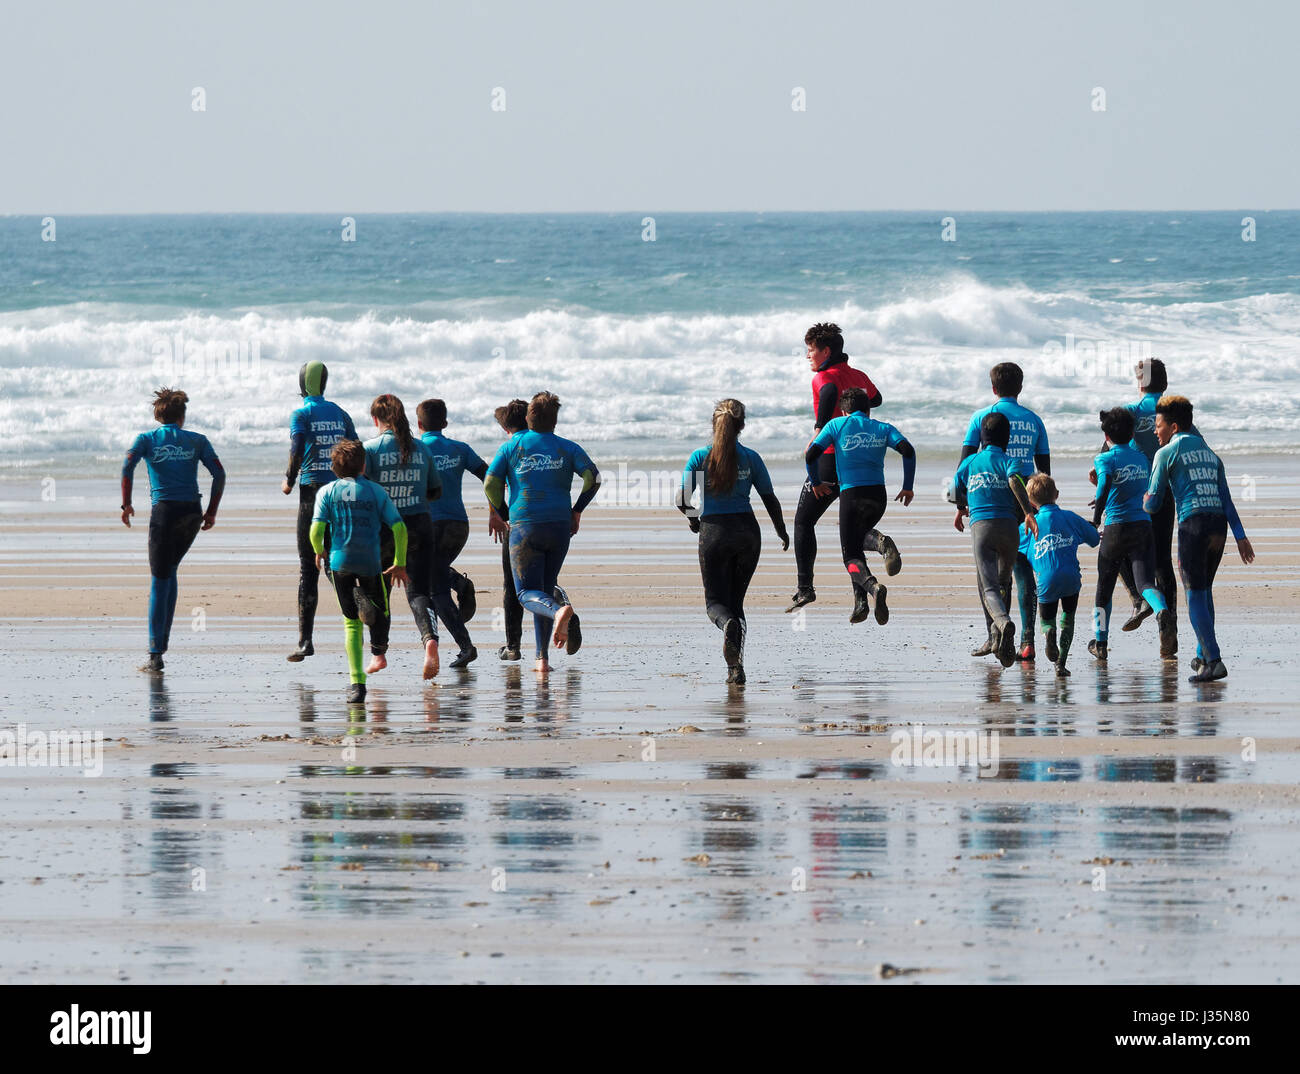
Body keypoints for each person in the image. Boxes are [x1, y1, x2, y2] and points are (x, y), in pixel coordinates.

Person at [485, 392, 600, 674]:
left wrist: (504, 512)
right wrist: (577, 510)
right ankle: (542, 660)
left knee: (526, 593)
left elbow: (490, 483)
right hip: (560, 526)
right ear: (555, 420)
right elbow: (593, 478)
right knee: (545, 589)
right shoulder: (568, 447)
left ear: (527, 418)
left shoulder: (513, 447)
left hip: (525, 526)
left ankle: (559, 612)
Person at [1143, 395, 1255, 683]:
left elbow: (1154, 503)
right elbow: (1227, 500)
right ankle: (1202, 655)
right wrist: (1241, 537)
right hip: (1219, 526)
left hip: (1193, 526)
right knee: (1204, 592)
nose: (1155, 431)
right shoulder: (1211, 454)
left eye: (1158, 425)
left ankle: (1214, 660)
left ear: (1174, 426)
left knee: (1194, 593)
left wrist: (1145, 499)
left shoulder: (1166, 453)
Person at [787, 322, 898, 612]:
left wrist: (817, 430)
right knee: (852, 533)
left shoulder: (824, 377)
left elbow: (826, 397)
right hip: (857, 463)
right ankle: (862, 598)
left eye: (810, 351)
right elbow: (876, 398)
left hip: (829, 457)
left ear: (825, 351)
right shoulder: (858, 375)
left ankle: (804, 588)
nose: (808, 356)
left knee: (803, 521)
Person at [677, 399, 789, 684]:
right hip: (748, 533)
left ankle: (727, 629)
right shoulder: (751, 457)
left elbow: (682, 499)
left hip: (714, 532)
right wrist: (781, 530)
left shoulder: (700, 457)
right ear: (742, 426)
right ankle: (735, 670)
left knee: (716, 603)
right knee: (736, 603)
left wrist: (694, 520)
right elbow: (769, 498)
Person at [121, 388, 226, 673]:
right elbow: (219, 473)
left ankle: (156, 654)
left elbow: (127, 465)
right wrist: (211, 511)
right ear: (182, 416)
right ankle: (161, 646)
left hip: (165, 513)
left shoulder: (146, 439)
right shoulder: (197, 440)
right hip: (191, 512)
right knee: (170, 570)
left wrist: (127, 504)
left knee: (159, 577)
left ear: (158, 415)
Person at [1093, 359, 1186, 656]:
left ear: (1140, 383)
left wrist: (1098, 477)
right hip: (1167, 494)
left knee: (1115, 552)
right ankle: (1167, 628)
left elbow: (1107, 452)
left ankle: (1136, 599)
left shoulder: (1130, 413)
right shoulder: (1172, 412)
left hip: (1130, 501)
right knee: (1161, 563)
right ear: (1165, 384)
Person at [959, 362, 1050, 661]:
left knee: (987, 572)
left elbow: (966, 462)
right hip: (1026, 501)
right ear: (1020, 387)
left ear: (993, 388)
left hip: (990, 499)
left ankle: (995, 636)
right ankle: (1027, 641)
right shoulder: (1034, 420)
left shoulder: (980, 418)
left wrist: (962, 506)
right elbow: (1043, 470)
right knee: (1021, 570)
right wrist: (1037, 507)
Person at [309, 439, 409, 704]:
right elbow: (399, 528)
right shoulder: (376, 492)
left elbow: (316, 530)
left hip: (340, 563)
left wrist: (318, 550)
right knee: (382, 608)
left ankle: (357, 685)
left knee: (351, 624)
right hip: (370, 563)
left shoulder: (327, 492)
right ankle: (378, 646)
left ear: (333, 468)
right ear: (364, 465)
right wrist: (399, 561)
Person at [804, 387, 914, 625]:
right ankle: (861, 603)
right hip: (878, 496)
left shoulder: (836, 425)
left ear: (844, 411)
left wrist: (816, 483)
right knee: (856, 540)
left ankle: (874, 588)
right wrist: (907, 486)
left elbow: (811, 454)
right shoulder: (883, 428)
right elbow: (908, 450)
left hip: (851, 496)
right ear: (868, 410)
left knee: (850, 555)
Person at [363, 394, 445, 678]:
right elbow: (436, 490)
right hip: (421, 523)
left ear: (376, 419)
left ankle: (379, 654)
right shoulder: (422, 449)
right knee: (419, 592)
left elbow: (364, 491)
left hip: (384, 529)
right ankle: (430, 641)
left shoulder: (370, 450)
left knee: (378, 592)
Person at [282, 361, 357, 663]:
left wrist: (288, 479)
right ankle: (357, 603)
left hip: (312, 491)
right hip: (342, 490)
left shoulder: (301, 414)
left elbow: (297, 446)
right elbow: (356, 448)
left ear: (301, 385)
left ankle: (305, 641)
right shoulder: (340, 413)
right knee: (335, 556)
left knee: (307, 565)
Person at [951, 412, 1036, 669]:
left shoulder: (970, 462)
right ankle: (1000, 639)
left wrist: (960, 507)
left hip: (982, 528)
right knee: (1003, 583)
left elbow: (956, 487)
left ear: (981, 438)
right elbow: (1015, 481)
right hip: (1010, 528)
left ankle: (1002, 623)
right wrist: (1028, 513)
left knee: (988, 587)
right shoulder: (1012, 461)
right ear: (1007, 438)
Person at [1088, 407, 1169, 663]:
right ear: (1133, 432)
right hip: (1143, 526)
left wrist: (1096, 518)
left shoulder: (1104, 459)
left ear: (1106, 436)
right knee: (1145, 583)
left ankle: (1100, 643)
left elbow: (1103, 487)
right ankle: (1162, 610)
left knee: (1104, 590)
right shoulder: (1143, 458)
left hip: (1116, 529)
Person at [417, 398, 487, 667]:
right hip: (459, 526)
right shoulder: (460, 448)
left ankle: (466, 646)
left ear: (419, 424)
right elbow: (488, 476)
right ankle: (459, 583)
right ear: (445, 423)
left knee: (436, 592)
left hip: (429, 526)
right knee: (433, 570)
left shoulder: (415, 450)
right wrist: (496, 510)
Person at [1018, 474, 1100, 677]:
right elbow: (1093, 539)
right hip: (1071, 578)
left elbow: (1017, 551)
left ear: (1030, 502)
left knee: (1047, 619)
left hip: (1046, 580)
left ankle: (1048, 633)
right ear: (1056, 494)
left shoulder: (1027, 527)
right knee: (1068, 618)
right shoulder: (1070, 517)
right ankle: (1061, 664)